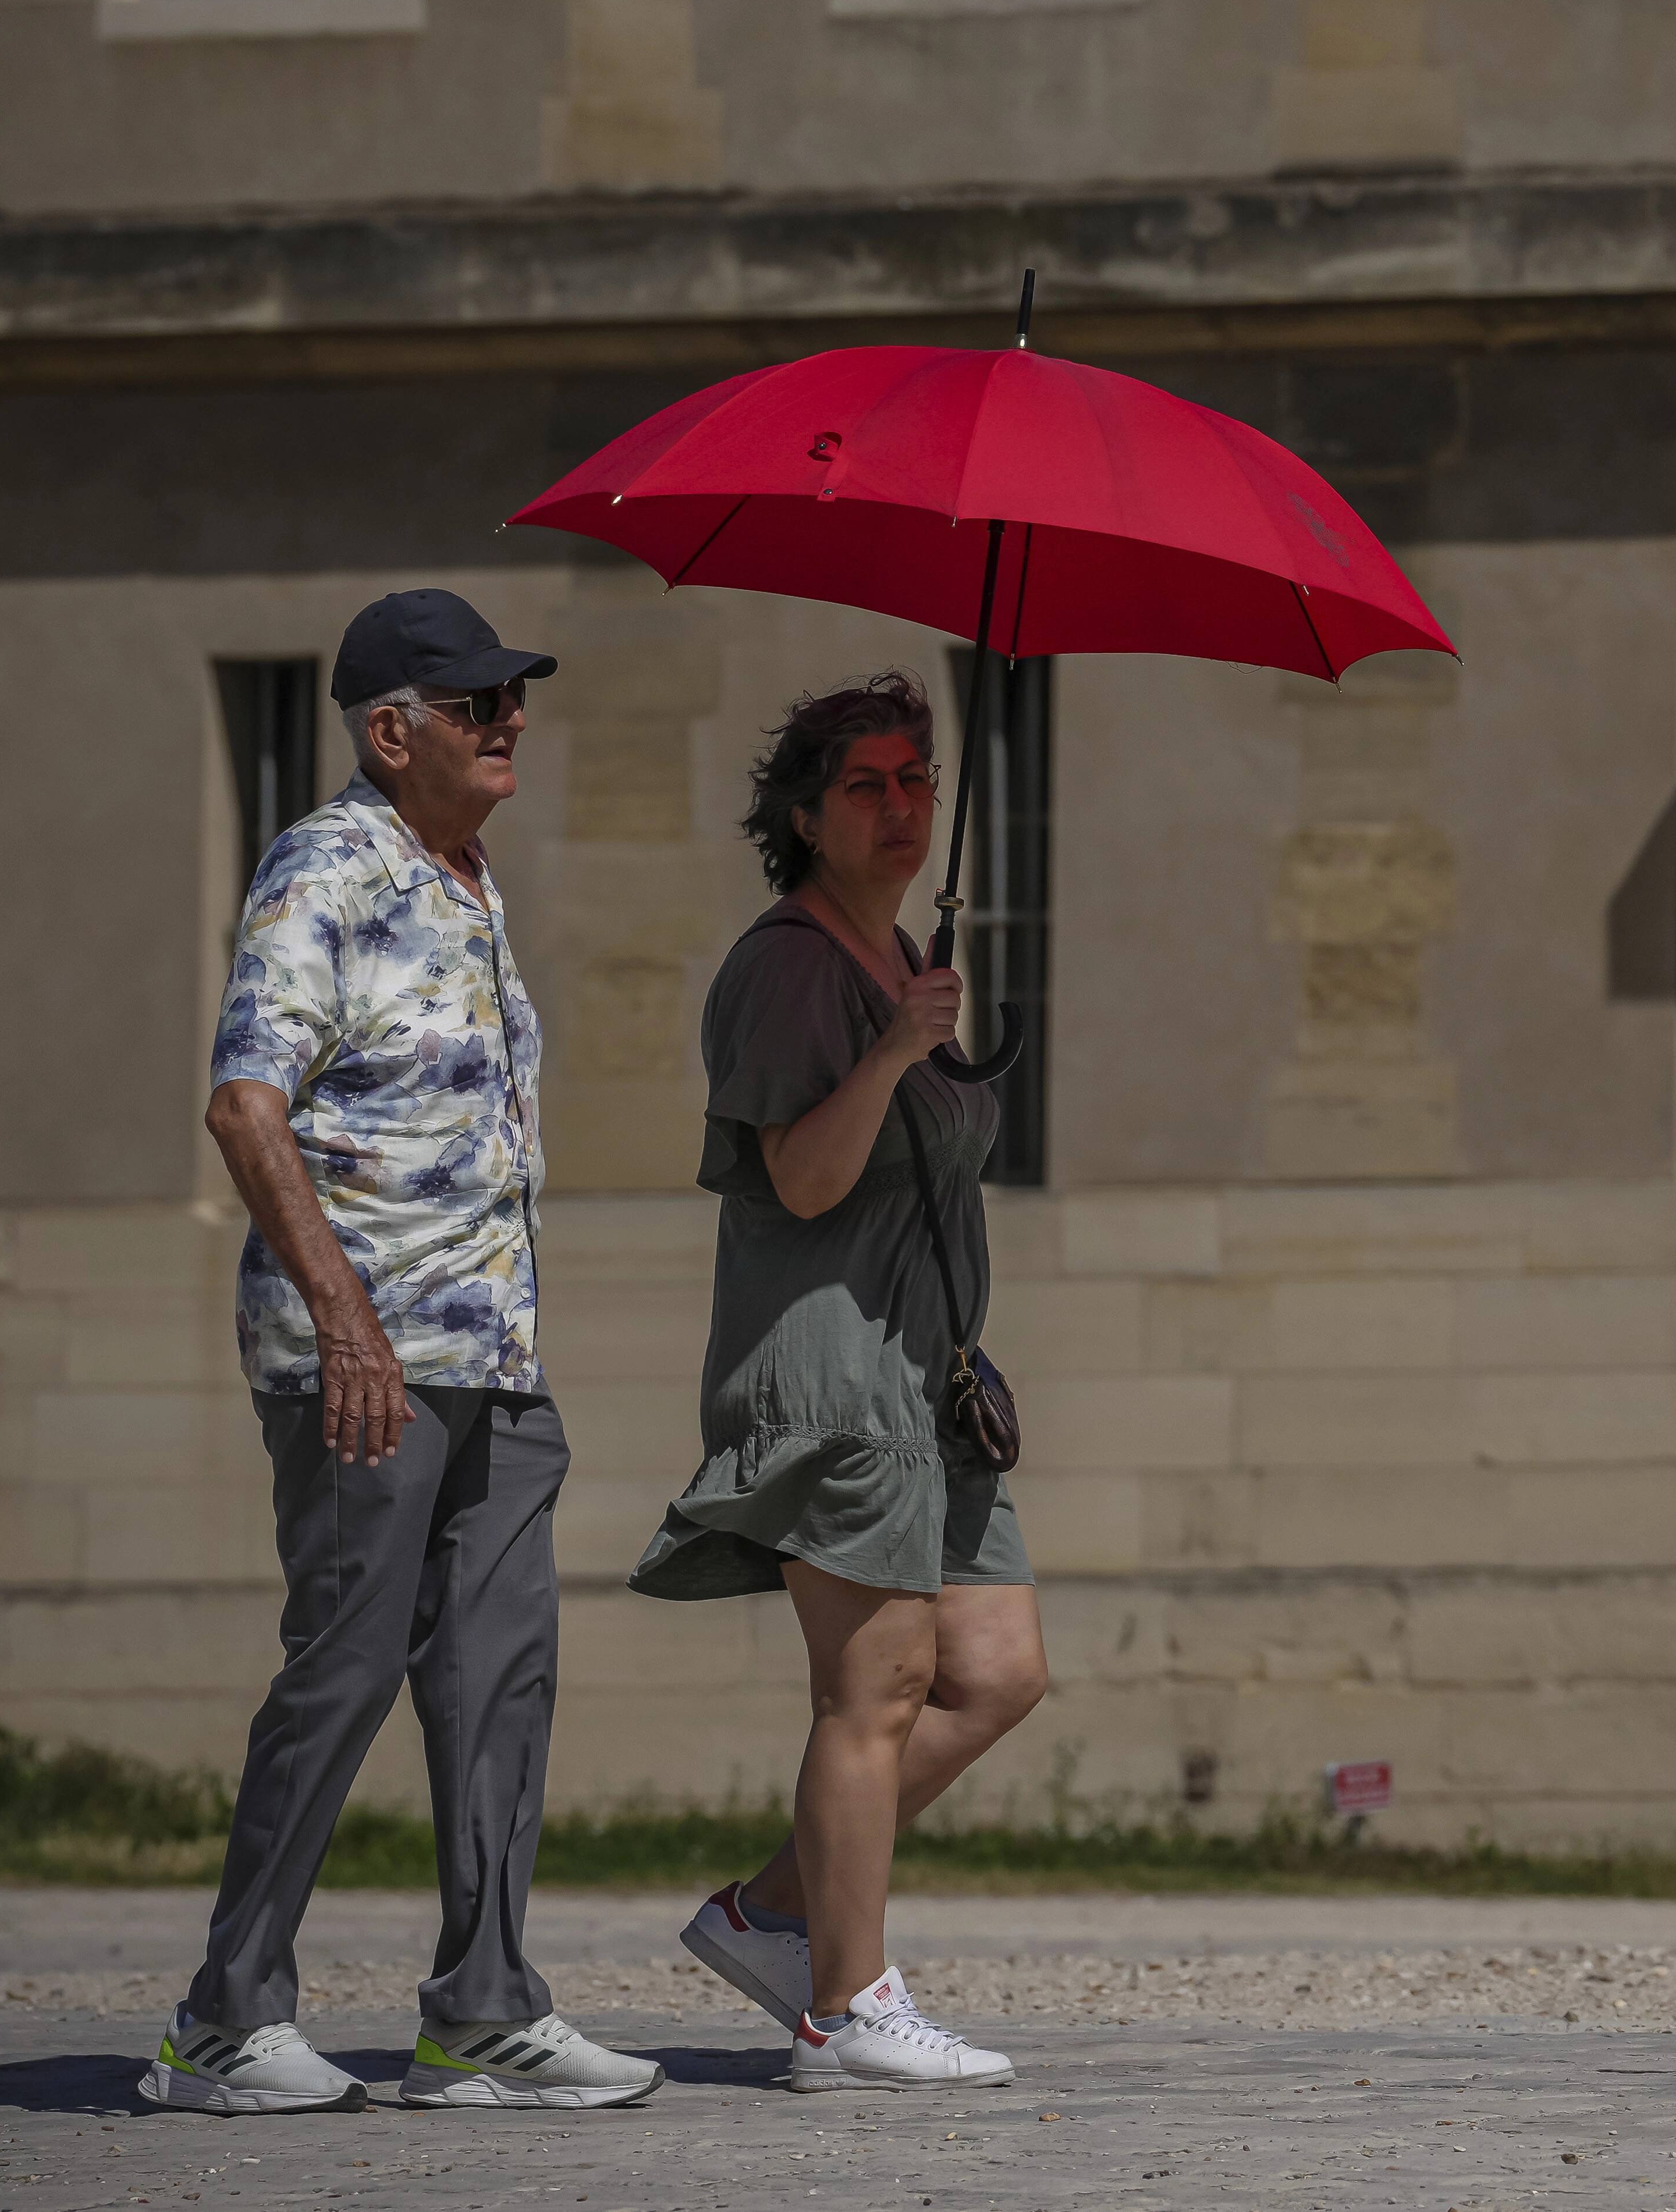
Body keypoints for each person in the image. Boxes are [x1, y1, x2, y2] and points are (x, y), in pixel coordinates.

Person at [143, 590, 663, 2115]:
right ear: (392, 730)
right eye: (479, 702)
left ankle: (482, 2011)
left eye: (514, 697)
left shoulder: (466, 878)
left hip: (492, 1354)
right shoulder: (328, 868)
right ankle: (222, 2021)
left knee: (499, 1678)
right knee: (348, 1664)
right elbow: (246, 1103)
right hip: (365, 1362)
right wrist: (345, 1320)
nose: (512, 721)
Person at [633, 672, 1045, 2092]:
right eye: (866, 783)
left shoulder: (900, 954)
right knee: (874, 1684)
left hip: (931, 1376)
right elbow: (803, 1178)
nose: (901, 805)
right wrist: (894, 1047)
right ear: (804, 814)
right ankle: (844, 2009)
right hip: (834, 1368)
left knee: (995, 1672)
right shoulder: (791, 968)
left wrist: (914, 1022)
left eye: (917, 779)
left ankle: (771, 1912)